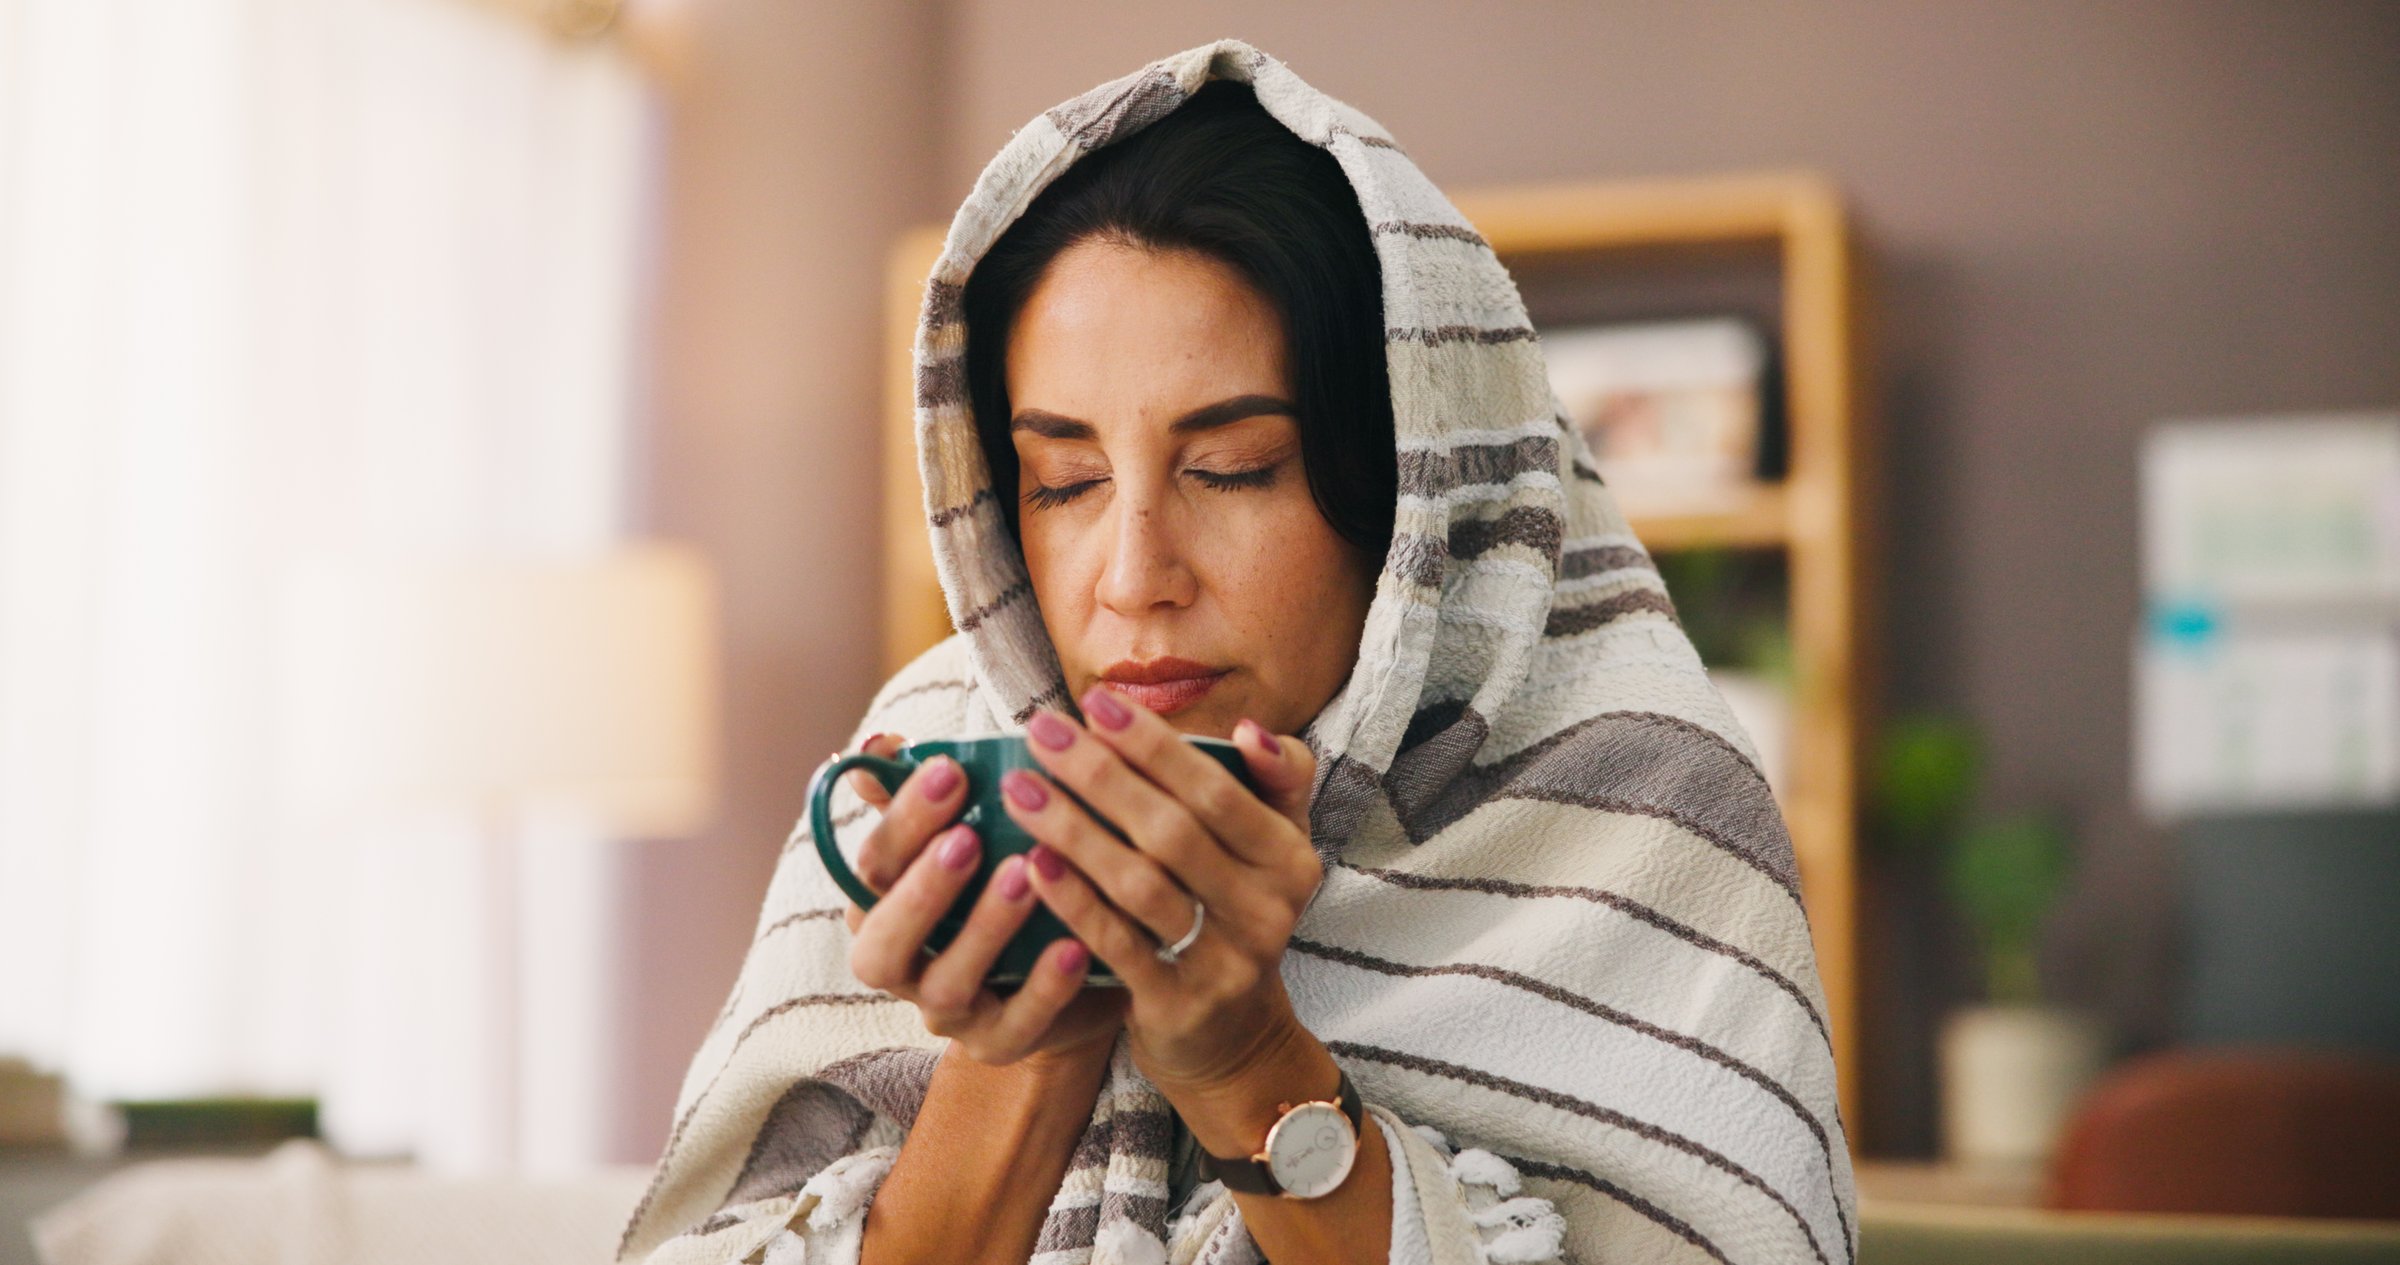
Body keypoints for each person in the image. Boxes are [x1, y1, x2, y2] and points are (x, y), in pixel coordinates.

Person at [618, 38, 1856, 1265]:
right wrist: (1035, 1034)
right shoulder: (936, 753)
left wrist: (1244, 1059)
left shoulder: (1644, 808)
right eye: (1063, 481)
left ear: (1415, 499)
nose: (1132, 576)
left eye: (1233, 468)